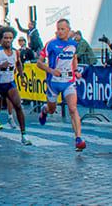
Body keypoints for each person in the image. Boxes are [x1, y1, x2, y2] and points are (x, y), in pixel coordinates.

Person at [36, 19, 87, 151]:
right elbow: (39, 63)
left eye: (62, 29)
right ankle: (44, 110)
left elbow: (74, 58)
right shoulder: (51, 44)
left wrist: (75, 71)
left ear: (68, 30)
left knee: (72, 108)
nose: (60, 31)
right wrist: (51, 70)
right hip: (53, 83)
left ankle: (78, 138)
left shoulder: (73, 44)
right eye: (58, 29)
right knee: (52, 109)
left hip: (69, 82)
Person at [0, 27, 32, 145]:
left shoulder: (16, 52)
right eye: (5, 38)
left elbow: (19, 63)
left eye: (10, 38)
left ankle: (24, 135)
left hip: (10, 83)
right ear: (0, 39)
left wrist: (21, 75)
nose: (8, 40)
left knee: (18, 105)